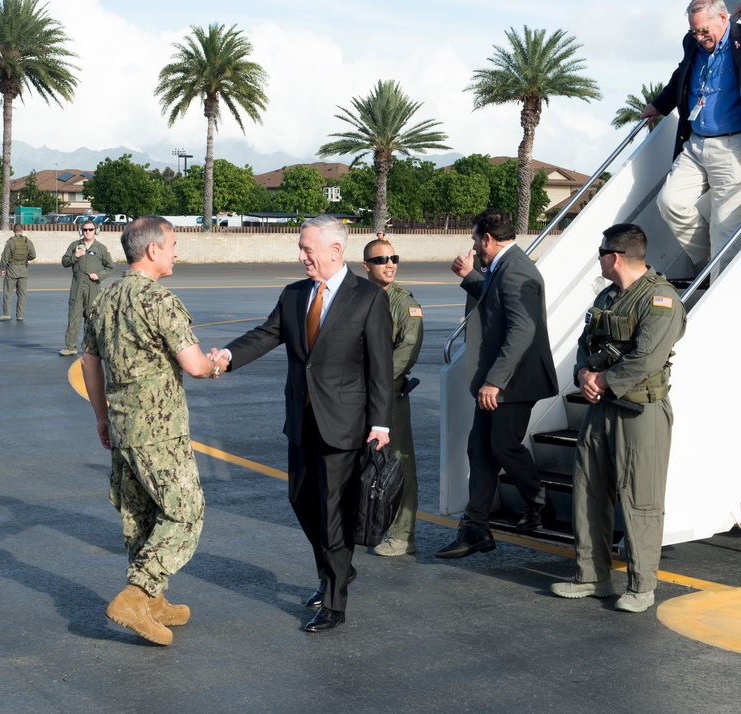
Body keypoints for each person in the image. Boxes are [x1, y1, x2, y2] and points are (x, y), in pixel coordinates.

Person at [210, 215, 393, 632]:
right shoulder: (294, 294)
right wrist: (227, 356)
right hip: (302, 418)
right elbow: (266, 334)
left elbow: (380, 367)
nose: (301, 256)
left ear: (334, 250)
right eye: (301, 247)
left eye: (307, 249)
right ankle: (338, 568)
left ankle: (333, 601)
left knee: (332, 510)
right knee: (301, 500)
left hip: (346, 423)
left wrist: (381, 424)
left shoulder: (367, 297)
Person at [81, 216, 224, 647]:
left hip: (124, 427)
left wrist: (102, 417)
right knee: (185, 512)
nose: (177, 252)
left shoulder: (104, 300)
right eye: (174, 244)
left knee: (142, 516)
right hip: (160, 431)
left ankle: (154, 600)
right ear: (152, 250)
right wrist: (217, 363)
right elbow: (196, 367)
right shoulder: (160, 301)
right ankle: (136, 594)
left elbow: (89, 362)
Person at [551, 224, 687, 613]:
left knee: (640, 498)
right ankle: (593, 577)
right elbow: (584, 345)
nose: (598, 257)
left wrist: (604, 381)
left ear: (614, 257)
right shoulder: (609, 296)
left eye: (601, 252)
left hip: (640, 411)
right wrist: (583, 376)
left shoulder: (660, 300)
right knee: (589, 490)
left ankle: (642, 586)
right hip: (602, 408)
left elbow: (648, 358)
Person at [435, 208, 559, 559]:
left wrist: (494, 381)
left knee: (502, 447)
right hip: (499, 381)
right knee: (480, 449)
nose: (475, 247)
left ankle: (538, 503)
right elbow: (494, 300)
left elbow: (522, 330)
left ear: (487, 238)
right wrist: (469, 274)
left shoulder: (518, 270)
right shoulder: (503, 266)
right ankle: (475, 529)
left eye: (476, 240)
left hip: (514, 382)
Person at [643, 0, 741, 277]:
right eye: (694, 32)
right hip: (695, 142)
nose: (698, 37)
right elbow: (680, 76)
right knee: (670, 202)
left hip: (732, 147)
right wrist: (659, 105)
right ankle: (709, 260)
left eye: (703, 31)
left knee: (726, 224)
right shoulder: (692, 43)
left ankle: (718, 291)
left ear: (723, 18)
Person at [361, 239, 424, 557]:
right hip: (356, 394)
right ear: (366, 266)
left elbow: (407, 350)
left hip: (388, 394)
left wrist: (377, 383)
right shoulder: (358, 296)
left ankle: (402, 535)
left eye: (394, 258)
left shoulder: (404, 302)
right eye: (381, 259)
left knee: (398, 463)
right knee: (359, 462)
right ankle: (364, 524)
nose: (390, 264)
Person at [59, 220, 115, 356]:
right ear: (81, 231)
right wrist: (75, 256)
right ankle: (71, 346)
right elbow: (64, 262)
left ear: (95, 231)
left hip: (93, 288)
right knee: (74, 316)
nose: (87, 232)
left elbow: (110, 267)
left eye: (90, 229)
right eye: (85, 230)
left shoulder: (101, 249)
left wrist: (99, 275)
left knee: (93, 318)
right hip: (77, 287)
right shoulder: (75, 246)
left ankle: (92, 347)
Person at [0, 224, 36, 321]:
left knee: (8, 292)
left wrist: (3, 268)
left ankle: (7, 314)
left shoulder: (10, 242)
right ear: (22, 230)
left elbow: (5, 256)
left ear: (13, 231)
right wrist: (25, 259)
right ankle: (20, 315)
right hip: (23, 270)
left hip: (12, 270)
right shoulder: (27, 241)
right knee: (22, 293)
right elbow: (33, 255)